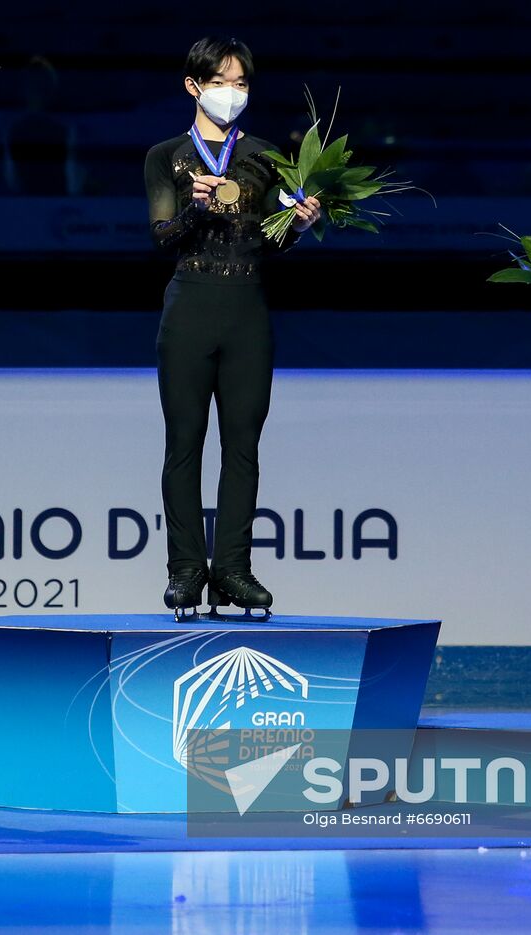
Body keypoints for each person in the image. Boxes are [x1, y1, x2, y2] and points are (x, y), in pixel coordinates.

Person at [144, 37, 321, 620]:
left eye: (241, 83)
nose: (232, 93)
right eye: (222, 82)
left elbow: (270, 241)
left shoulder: (266, 156)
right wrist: (195, 207)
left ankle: (234, 570)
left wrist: (297, 223)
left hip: (247, 305)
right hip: (190, 303)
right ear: (194, 86)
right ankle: (186, 571)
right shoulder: (167, 155)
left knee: (243, 448)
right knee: (184, 445)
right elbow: (161, 237)